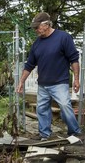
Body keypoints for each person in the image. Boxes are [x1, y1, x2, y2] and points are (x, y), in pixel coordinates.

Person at [16, 12, 81, 141]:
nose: (35, 30)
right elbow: (29, 65)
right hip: (43, 84)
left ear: (46, 25)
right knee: (42, 109)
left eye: (37, 27)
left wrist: (77, 79)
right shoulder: (36, 44)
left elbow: (74, 59)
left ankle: (74, 132)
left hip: (60, 82)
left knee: (65, 105)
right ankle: (44, 134)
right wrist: (21, 82)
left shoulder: (63, 37)